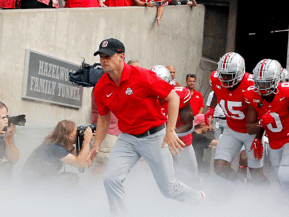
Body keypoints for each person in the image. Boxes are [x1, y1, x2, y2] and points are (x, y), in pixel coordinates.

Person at [89, 38, 203, 216]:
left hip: (154, 136)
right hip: (127, 139)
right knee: (111, 179)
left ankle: (199, 200)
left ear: (121, 57)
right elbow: (104, 117)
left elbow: (173, 97)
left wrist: (170, 130)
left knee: (168, 189)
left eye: (109, 56)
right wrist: (96, 144)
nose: (104, 60)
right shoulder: (101, 87)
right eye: (102, 56)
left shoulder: (142, 76)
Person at [245, 59, 289, 202]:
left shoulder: (286, 91)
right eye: (259, 82)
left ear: (275, 80)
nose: (262, 86)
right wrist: (260, 129)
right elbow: (249, 128)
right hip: (273, 142)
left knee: (285, 175)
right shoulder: (252, 95)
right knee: (280, 178)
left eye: (266, 82)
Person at [205, 52, 266, 183]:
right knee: (219, 168)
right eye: (223, 74)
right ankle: (243, 184)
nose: (225, 78)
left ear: (240, 73)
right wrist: (210, 109)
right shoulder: (216, 79)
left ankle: (267, 194)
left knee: (256, 173)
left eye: (229, 75)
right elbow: (217, 92)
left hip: (251, 133)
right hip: (231, 129)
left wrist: (259, 136)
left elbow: (262, 110)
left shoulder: (252, 84)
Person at [21, 120, 93, 186]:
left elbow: (81, 156)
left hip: (40, 179)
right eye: (76, 131)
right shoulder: (55, 148)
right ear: (69, 135)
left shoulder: (60, 144)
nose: (77, 133)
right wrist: (87, 141)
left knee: (75, 184)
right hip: (33, 183)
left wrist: (86, 140)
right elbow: (80, 163)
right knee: (72, 178)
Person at [0, 101, 20, 180]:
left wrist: (8, 138)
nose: (3, 121)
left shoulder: (6, 132)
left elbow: (13, 160)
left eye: (4, 117)